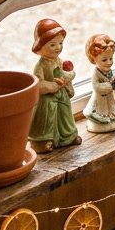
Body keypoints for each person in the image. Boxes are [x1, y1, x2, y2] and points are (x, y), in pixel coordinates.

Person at [29, 18, 82, 153]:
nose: (58, 47)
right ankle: (43, 141)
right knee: (48, 117)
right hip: (48, 98)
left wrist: (68, 75)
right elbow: (38, 84)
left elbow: (65, 73)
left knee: (65, 116)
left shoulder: (59, 61)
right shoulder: (40, 65)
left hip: (61, 95)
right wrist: (53, 85)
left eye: (60, 43)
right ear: (40, 48)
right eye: (53, 45)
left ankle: (68, 136)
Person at [83, 33, 115, 134]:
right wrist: (108, 86)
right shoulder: (96, 73)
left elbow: (113, 80)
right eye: (104, 59)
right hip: (100, 98)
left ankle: (112, 118)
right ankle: (101, 120)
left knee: (111, 108)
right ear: (94, 59)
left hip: (109, 96)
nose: (109, 62)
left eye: (111, 58)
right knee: (101, 110)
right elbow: (96, 86)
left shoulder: (109, 71)